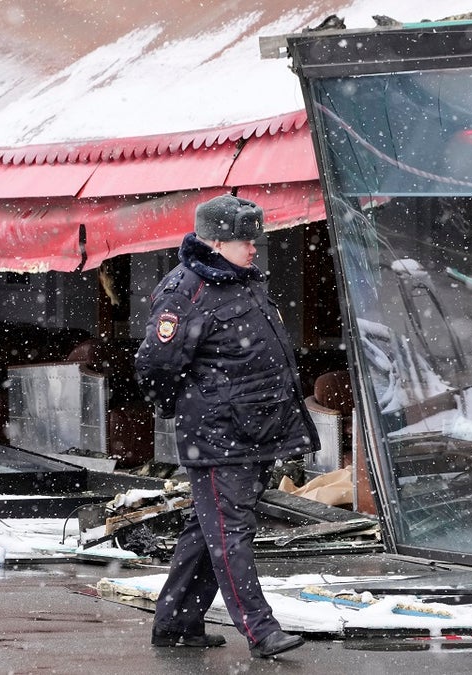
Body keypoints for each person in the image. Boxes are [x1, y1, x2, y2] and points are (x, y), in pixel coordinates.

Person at [134, 194, 318, 659]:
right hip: (219, 437)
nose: (254, 247)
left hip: (252, 431)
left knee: (207, 529)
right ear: (215, 242)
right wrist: (199, 409)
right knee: (231, 534)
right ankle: (261, 630)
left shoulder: (243, 281)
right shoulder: (185, 290)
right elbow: (156, 365)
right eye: (244, 240)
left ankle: (176, 625)